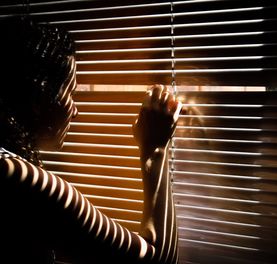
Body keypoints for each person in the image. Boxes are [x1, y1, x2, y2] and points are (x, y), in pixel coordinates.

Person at [0, 16, 180, 264]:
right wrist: (155, 149)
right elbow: (155, 259)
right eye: (70, 92)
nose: (76, 111)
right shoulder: (24, 181)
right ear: (38, 97)